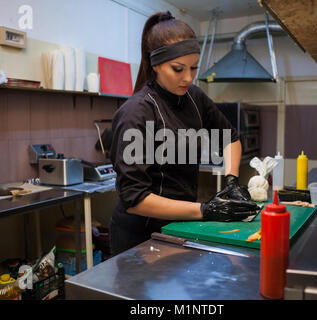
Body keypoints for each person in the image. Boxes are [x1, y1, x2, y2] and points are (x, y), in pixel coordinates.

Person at [109, 11, 258, 256]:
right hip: (139, 237)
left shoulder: (194, 97)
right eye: (178, 69)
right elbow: (134, 200)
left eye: (193, 68)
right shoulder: (137, 112)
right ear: (155, 64)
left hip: (179, 226)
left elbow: (230, 138)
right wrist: (205, 210)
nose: (188, 78)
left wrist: (231, 179)